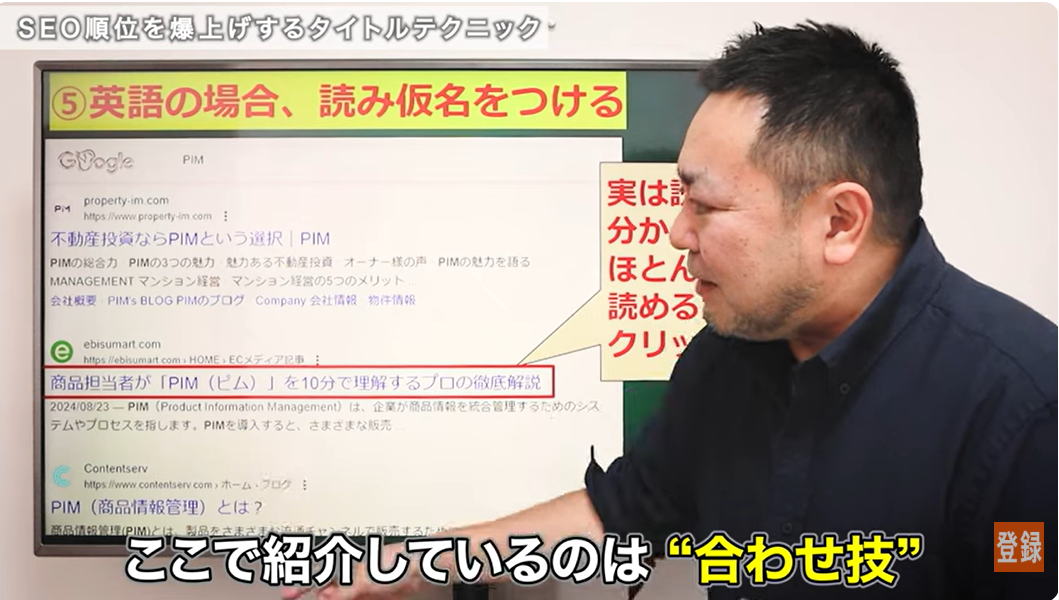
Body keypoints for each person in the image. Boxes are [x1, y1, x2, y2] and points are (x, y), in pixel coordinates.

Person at [283, 21, 1057, 600]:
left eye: (705, 205)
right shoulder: (725, 359)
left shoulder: (1023, 406)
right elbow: (619, 513)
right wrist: (419, 564)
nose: (676, 232)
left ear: (837, 222)